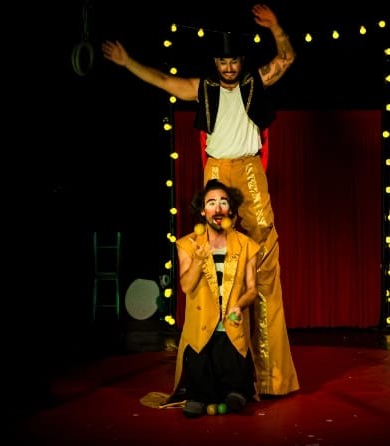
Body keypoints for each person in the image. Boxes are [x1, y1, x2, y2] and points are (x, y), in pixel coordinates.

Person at [102, 3, 299, 397]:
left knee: (262, 260)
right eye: (223, 62)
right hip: (217, 172)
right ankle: (212, 372)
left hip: (249, 170)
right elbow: (163, 80)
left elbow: (286, 57)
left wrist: (276, 26)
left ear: (241, 62)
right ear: (216, 63)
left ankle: (269, 375)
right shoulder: (203, 89)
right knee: (214, 260)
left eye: (233, 61)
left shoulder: (255, 81)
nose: (228, 68)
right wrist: (127, 63)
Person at [173, 179, 260, 417]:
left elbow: (252, 289)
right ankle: (200, 396)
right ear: (203, 211)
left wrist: (238, 306)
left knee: (234, 382)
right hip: (201, 329)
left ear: (231, 209)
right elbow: (186, 286)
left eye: (223, 202)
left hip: (231, 328)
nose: (218, 208)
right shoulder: (188, 244)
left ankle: (234, 393)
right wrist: (200, 260)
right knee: (199, 378)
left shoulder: (247, 245)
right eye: (211, 203)